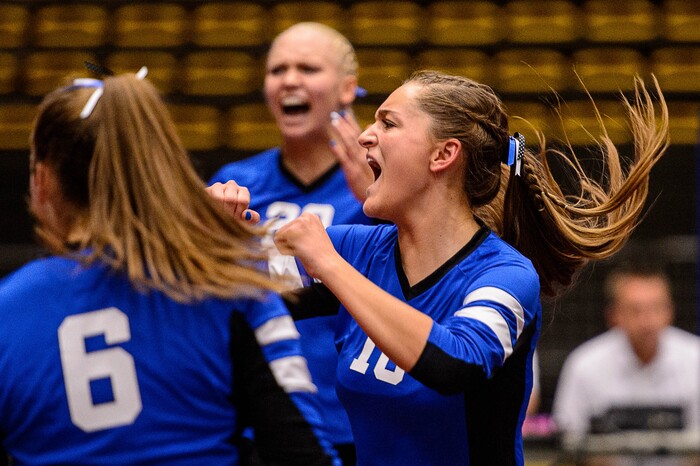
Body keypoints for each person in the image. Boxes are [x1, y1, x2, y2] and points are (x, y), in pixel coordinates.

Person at [265, 70, 669, 465]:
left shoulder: (505, 275)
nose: (365, 136)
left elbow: (455, 364)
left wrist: (332, 269)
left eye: (388, 123)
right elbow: (232, 286)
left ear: (443, 154)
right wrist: (216, 226)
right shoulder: (356, 249)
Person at [0, 69, 338, 465]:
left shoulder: (9, 311)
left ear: (41, 183)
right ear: (160, 173)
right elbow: (302, 454)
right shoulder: (233, 292)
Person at [209, 22, 373, 464]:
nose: (289, 80)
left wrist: (376, 199)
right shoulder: (233, 184)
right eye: (277, 69)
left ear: (347, 89)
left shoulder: (382, 187)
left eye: (308, 68)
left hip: (357, 417)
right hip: (256, 417)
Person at [552, 262, 700, 441]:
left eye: (656, 308)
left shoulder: (695, 359)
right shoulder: (585, 365)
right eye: (635, 310)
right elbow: (567, 438)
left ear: (670, 311)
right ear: (613, 315)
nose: (647, 321)